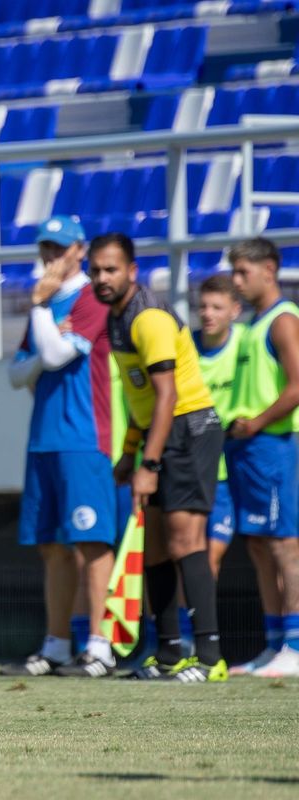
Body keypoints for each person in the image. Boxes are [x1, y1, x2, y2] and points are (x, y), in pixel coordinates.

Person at [89, 232, 227, 682]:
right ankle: (168, 654)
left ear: (132, 271)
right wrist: (130, 453)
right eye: (95, 270)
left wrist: (148, 466)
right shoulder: (116, 317)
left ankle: (210, 658)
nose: (102, 278)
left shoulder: (148, 318)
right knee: (153, 550)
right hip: (158, 432)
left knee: (187, 541)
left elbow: (166, 396)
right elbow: (140, 397)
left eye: (111, 269)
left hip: (188, 429)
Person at [2, 215, 118, 678]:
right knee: (51, 546)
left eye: (60, 247)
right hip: (44, 438)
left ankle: (100, 645)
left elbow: (49, 357)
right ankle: (56, 645)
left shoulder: (91, 296)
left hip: (84, 437)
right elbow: (16, 373)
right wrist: (43, 316)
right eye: (46, 247)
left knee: (91, 541)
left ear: (79, 251)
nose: (51, 256)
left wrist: (37, 307)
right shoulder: (49, 304)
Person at [224, 237, 299, 678]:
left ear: (268, 269)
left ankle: (294, 643)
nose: (236, 281)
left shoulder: (283, 320)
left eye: (243, 272)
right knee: (257, 544)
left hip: (272, 445)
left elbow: (296, 387)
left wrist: (257, 422)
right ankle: (273, 646)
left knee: (284, 542)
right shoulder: (254, 322)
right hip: (247, 448)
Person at [193, 274, 245, 578]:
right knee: (189, 555)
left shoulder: (246, 342)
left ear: (234, 311)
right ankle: (189, 627)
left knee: (213, 558)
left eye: (217, 307)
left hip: (232, 469)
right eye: (203, 306)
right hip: (194, 470)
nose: (208, 314)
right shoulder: (185, 347)